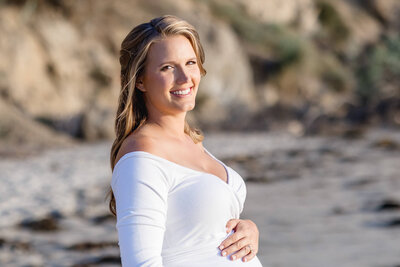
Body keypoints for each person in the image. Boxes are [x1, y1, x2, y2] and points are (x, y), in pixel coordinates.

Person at [108, 15, 263, 266]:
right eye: (167, 67)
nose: (185, 77)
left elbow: (203, 230)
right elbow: (141, 263)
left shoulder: (192, 142)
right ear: (140, 80)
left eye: (190, 63)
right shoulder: (141, 156)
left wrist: (248, 230)